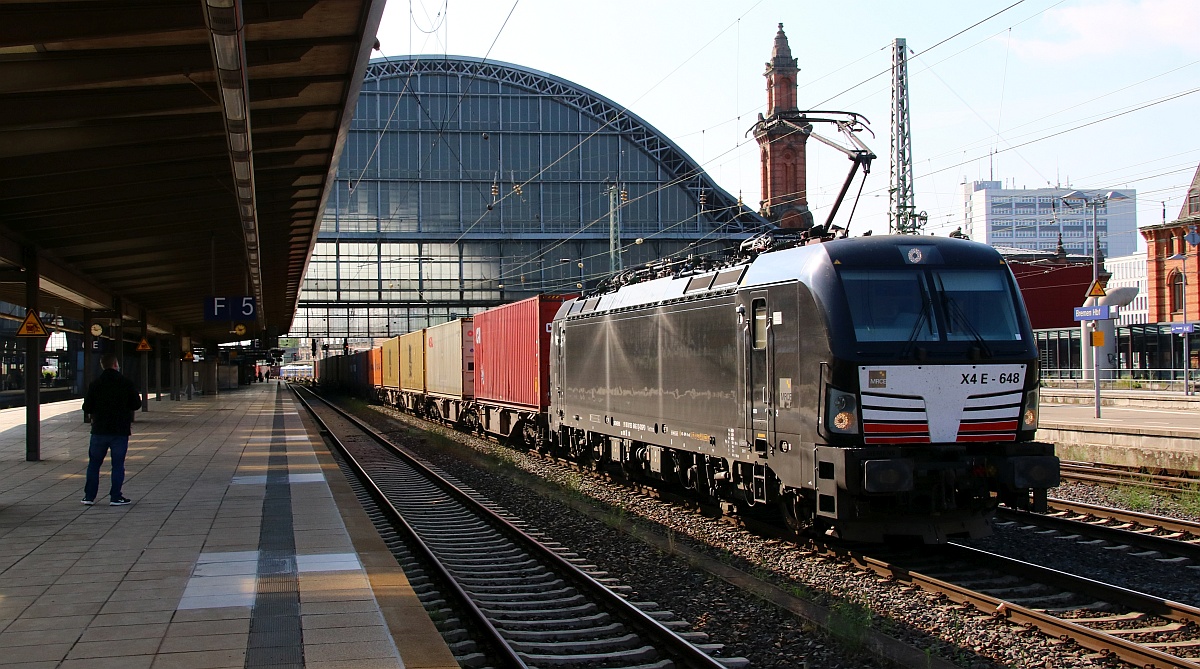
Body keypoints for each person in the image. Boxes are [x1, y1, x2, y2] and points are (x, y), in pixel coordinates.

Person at [81, 354, 141, 506]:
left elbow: (86, 407)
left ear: (103, 366)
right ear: (115, 364)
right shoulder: (126, 383)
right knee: (118, 465)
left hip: (99, 430)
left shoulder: (95, 384)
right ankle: (115, 497)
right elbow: (136, 405)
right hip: (120, 431)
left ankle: (89, 497)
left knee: (94, 464)